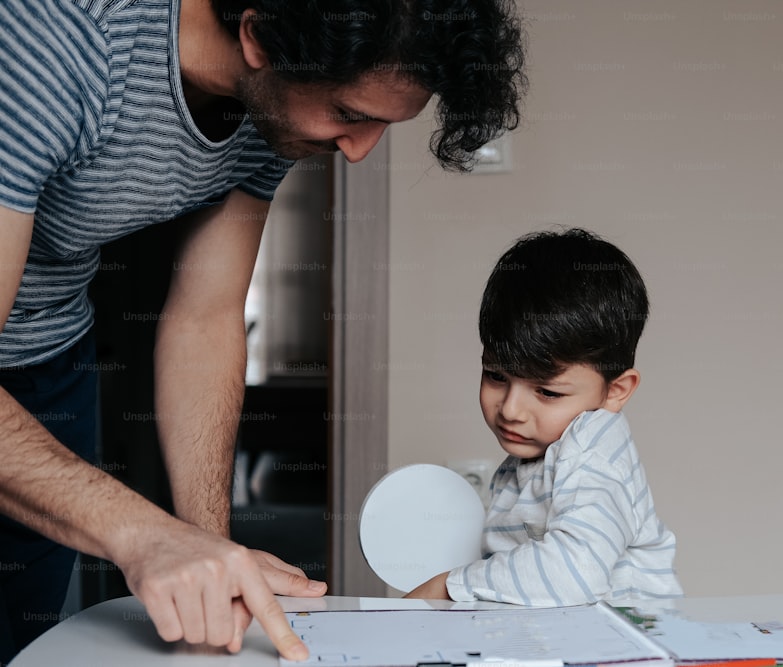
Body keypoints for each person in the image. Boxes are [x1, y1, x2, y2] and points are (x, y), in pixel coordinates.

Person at [0, 0, 525, 662]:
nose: (360, 152)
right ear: (256, 35)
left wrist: (210, 555)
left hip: (51, 363)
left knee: (28, 634)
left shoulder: (270, 110)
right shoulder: (63, 40)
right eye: (349, 113)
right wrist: (144, 533)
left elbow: (206, 316)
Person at [405, 228, 684, 605]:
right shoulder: (538, 452)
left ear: (615, 391)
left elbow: (574, 573)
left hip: (627, 649)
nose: (510, 410)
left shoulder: (590, 448)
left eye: (548, 392)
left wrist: (451, 585)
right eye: (496, 376)